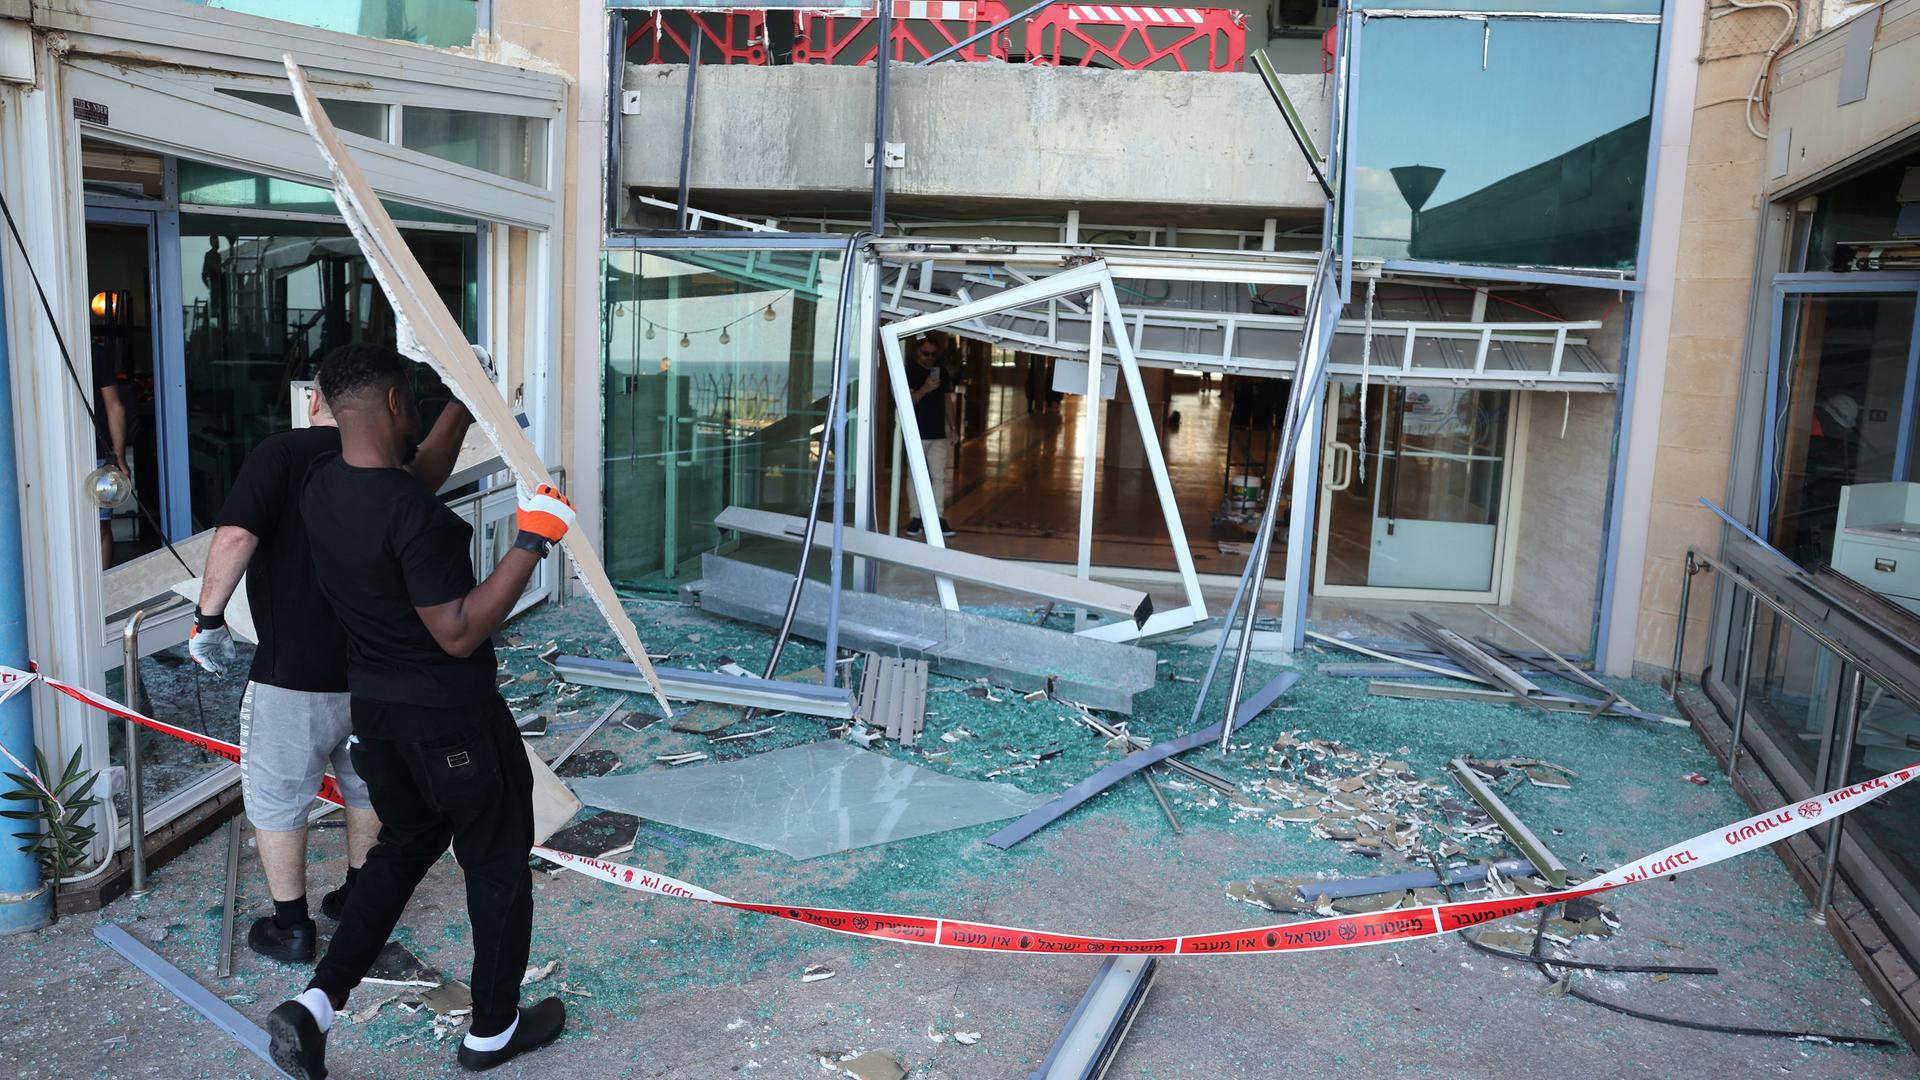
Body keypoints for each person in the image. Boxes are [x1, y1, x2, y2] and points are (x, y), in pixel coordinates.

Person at [267, 344, 573, 1076]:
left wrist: (464, 402)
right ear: (398, 404)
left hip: (377, 716)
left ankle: (315, 1004)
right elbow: (458, 628)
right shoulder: (414, 517)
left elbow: (411, 481)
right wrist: (534, 543)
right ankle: (493, 1030)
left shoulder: (323, 484)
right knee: (495, 866)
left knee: (401, 851)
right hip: (452, 719)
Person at [187, 377, 474, 964]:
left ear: (315, 402)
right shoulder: (386, 468)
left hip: (293, 672)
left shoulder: (281, 453)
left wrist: (209, 617)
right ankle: (356, 898)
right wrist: (461, 405)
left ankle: (292, 926)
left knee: (277, 795)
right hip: (376, 669)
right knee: (365, 783)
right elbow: (430, 477)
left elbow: (238, 532)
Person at [903, 335, 957, 538]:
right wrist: (925, 388)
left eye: (934, 355)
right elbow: (908, 401)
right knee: (915, 476)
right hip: (916, 433)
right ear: (917, 352)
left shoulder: (941, 372)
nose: (930, 358)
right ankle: (916, 517)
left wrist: (953, 428)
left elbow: (947, 402)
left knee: (939, 477)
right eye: (926, 354)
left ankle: (937, 516)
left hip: (938, 434)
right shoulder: (909, 372)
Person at [94, 342, 129, 568]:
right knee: (101, 529)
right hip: (95, 456)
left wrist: (119, 457)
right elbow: (114, 406)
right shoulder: (95, 351)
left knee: (101, 527)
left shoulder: (95, 352)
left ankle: (105, 592)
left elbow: (114, 406)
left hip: (97, 455)